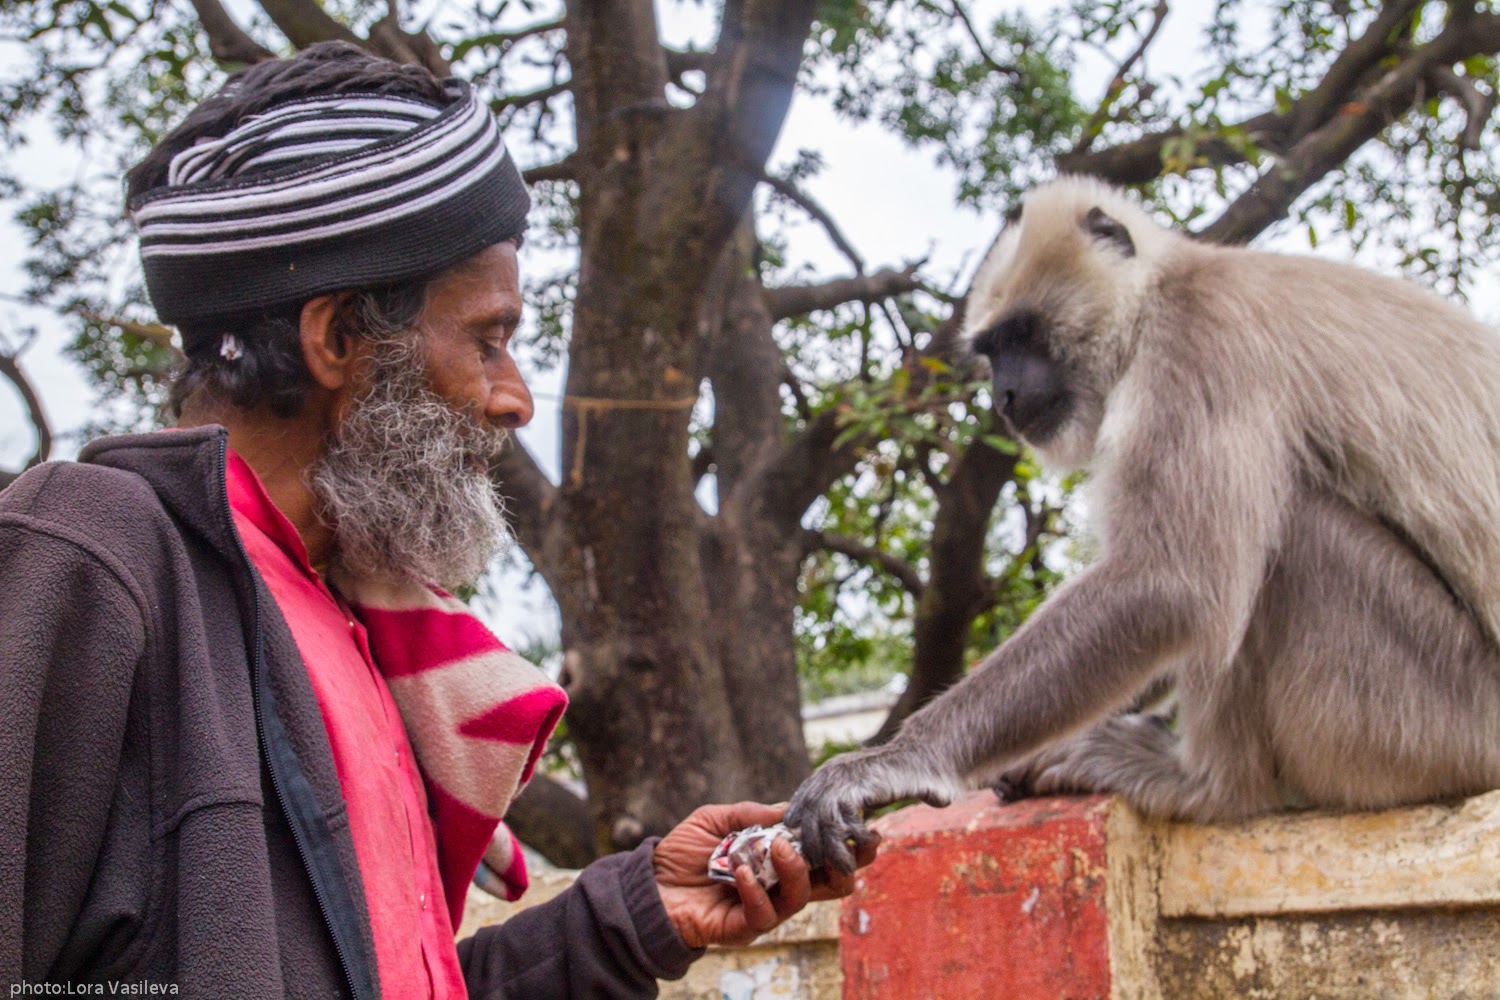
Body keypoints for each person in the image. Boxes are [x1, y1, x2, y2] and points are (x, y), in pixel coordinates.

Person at [0, 42, 874, 998]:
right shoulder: (94, 547)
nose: (514, 400)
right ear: (337, 338)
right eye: (488, 341)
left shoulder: (353, 624)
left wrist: (634, 915)